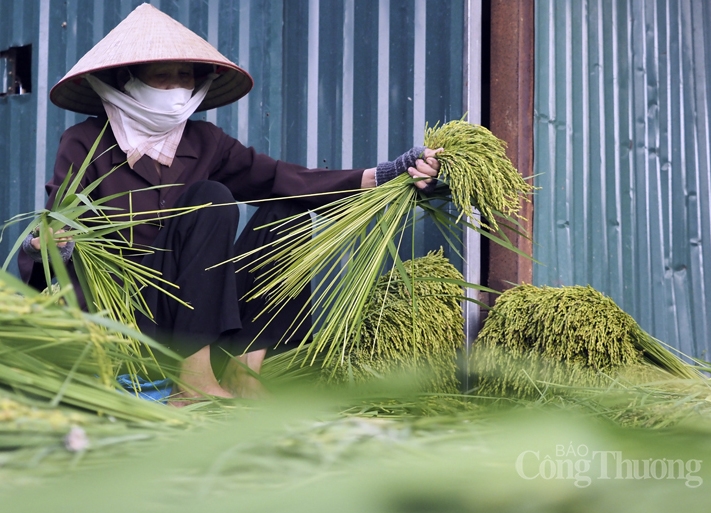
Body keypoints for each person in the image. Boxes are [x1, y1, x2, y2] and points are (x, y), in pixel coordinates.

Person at [18, 3, 440, 402]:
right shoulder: (85, 143)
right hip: (134, 316)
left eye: (187, 76)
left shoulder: (205, 141)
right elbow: (59, 227)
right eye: (165, 77)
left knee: (287, 210)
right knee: (211, 199)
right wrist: (50, 245)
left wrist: (382, 175)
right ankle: (194, 378)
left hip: (207, 311)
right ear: (129, 78)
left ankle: (244, 366)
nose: (179, 89)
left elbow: (281, 178)